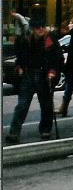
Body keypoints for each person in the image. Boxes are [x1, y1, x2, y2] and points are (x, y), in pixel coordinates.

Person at [5, 16, 63, 144]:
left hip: (43, 75)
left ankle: (45, 129)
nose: (41, 29)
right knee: (22, 105)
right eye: (38, 27)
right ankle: (14, 132)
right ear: (32, 29)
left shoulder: (50, 39)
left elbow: (57, 57)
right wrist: (19, 66)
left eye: (43, 26)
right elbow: (20, 55)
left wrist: (53, 71)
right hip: (29, 74)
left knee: (46, 104)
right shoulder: (26, 40)